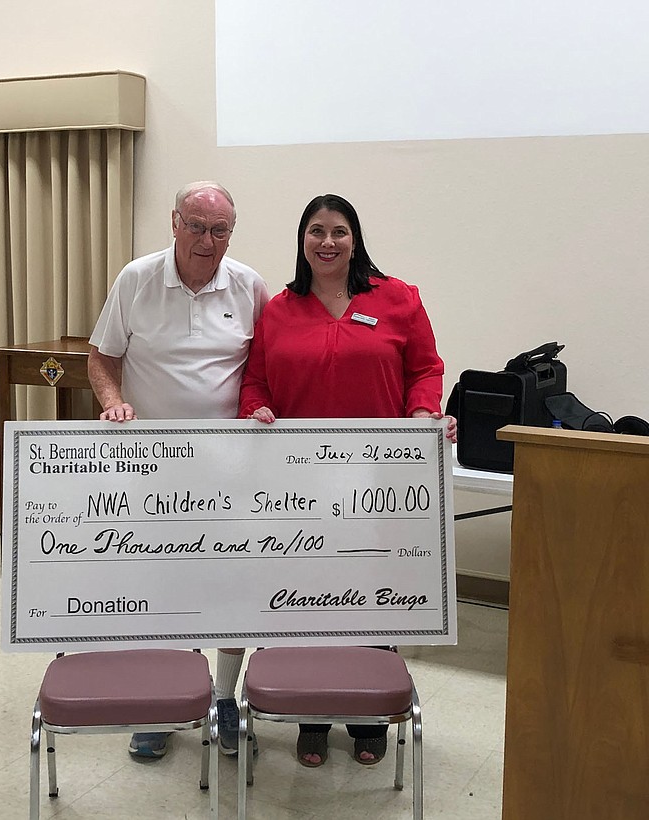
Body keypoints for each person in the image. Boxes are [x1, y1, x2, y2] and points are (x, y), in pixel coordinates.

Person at [238, 193, 456, 768]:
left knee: (368, 599)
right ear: (302, 240)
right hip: (298, 486)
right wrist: (256, 411)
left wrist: (421, 414)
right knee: (308, 601)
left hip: (376, 480)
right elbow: (255, 382)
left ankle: (367, 716)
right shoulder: (279, 309)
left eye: (338, 231)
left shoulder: (397, 299)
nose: (327, 242)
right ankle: (311, 715)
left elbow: (425, 370)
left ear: (355, 238)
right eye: (316, 231)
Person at [88, 180, 269, 759]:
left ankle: (224, 699)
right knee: (159, 588)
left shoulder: (249, 286)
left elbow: (265, 366)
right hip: (152, 468)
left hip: (233, 467)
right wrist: (111, 400)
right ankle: (163, 700)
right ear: (173, 223)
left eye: (219, 230)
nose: (206, 240)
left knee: (232, 584)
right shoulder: (136, 279)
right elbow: (101, 356)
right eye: (196, 226)